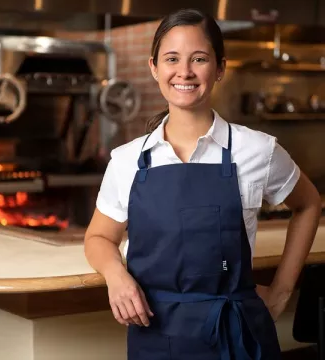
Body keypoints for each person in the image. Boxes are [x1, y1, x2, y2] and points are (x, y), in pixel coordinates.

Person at [84, 8, 321, 360]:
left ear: (220, 68)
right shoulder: (127, 160)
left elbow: (308, 204)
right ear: (154, 68)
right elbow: (99, 237)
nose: (185, 71)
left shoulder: (258, 150)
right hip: (154, 335)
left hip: (237, 335)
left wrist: (283, 290)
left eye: (199, 58)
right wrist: (116, 276)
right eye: (172, 59)